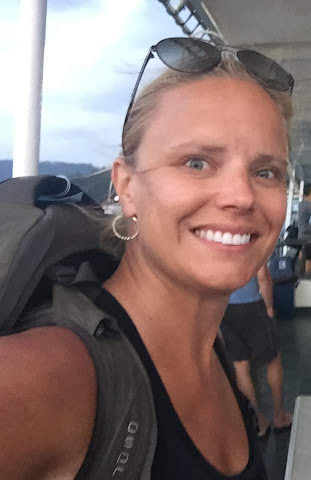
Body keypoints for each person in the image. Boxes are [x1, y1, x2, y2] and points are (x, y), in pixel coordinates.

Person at [0, 37, 294, 479]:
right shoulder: (52, 375)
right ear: (127, 186)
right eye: (197, 162)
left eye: (265, 171)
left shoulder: (209, 349)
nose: (241, 196)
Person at [220, 266, 292, 439]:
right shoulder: (250, 246)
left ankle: (259, 421)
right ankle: (279, 416)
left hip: (224, 308)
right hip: (253, 306)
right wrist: (269, 307)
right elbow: (263, 276)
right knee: (273, 360)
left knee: (240, 366)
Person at [297, 184, 311, 275]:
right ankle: (307, 278)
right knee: (309, 260)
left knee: (303, 256)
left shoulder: (301, 204)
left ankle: (301, 276)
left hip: (302, 235)